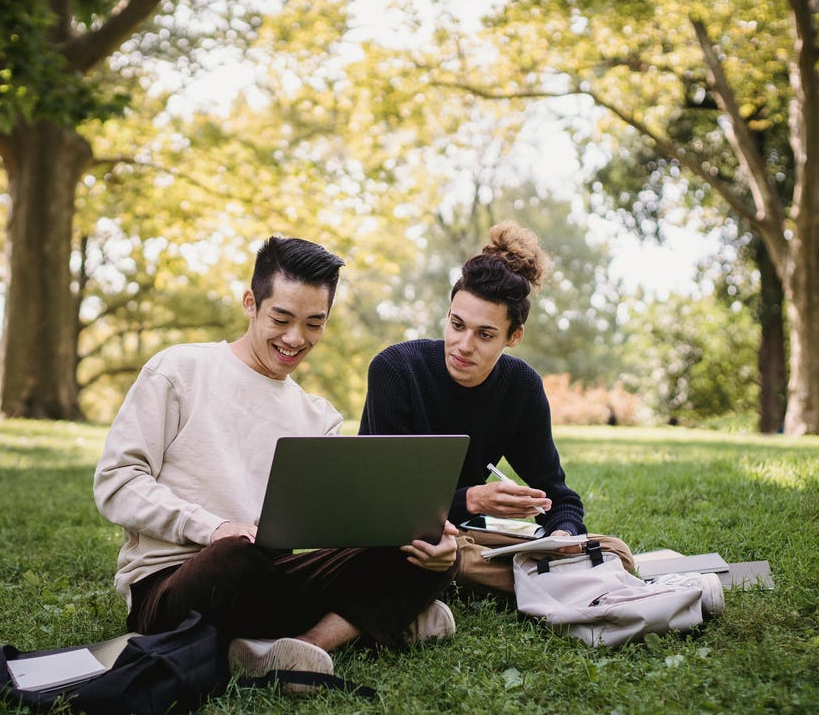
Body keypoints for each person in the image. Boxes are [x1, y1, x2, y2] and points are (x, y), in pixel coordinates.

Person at [94, 236, 459, 686]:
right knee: (233, 558)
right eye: (281, 318)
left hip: (272, 576)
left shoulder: (319, 416)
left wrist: (417, 535)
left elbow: (338, 526)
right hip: (181, 582)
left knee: (430, 551)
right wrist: (213, 528)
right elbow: (116, 482)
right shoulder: (179, 370)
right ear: (251, 302)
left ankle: (300, 645)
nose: (295, 339)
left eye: (313, 324)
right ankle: (376, 619)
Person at [359, 221, 635, 595]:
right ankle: (558, 578)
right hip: (399, 539)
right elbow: (384, 505)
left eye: (485, 334)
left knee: (614, 551)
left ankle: (548, 570)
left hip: (466, 542)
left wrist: (563, 535)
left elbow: (560, 499)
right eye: (457, 325)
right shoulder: (396, 370)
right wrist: (473, 499)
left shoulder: (521, 387)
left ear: (514, 336)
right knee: (431, 554)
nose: (463, 345)